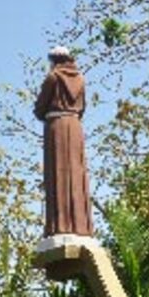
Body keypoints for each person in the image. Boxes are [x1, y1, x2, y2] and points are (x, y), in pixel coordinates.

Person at [34, 46, 93, 238]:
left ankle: (59, 226)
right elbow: (82, 107)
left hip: (57, 127)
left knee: (57, 173)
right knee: (77, 173)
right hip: (75, 127)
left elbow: (39, 108)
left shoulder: (53, 78)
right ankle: (82, 227)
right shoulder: (81, 80)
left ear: (54, 60)